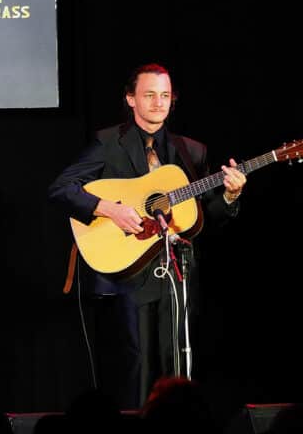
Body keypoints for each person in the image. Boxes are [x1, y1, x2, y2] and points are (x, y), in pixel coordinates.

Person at [48, 63, 246, 409]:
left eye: (165, 95)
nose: (158, 103)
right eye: (149, 95)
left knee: (178, 361)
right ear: (130, 99)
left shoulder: (190, 151)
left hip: (176, 273)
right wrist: (110, 208)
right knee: (135, 366)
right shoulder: (109, 142)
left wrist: (229, 197)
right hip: (129, 273)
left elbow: (199, 219)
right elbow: (62, 188)